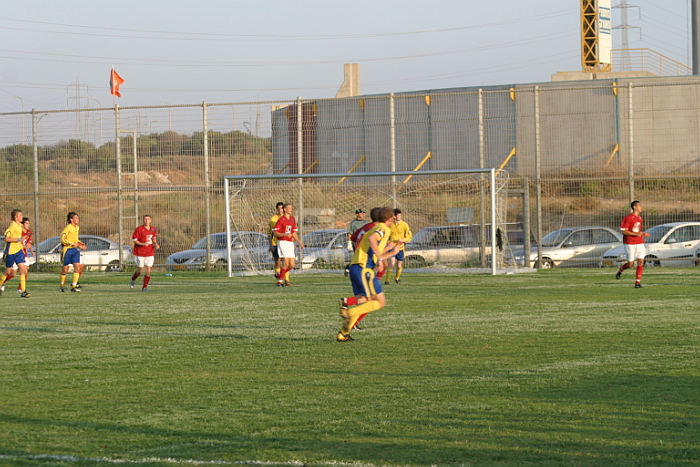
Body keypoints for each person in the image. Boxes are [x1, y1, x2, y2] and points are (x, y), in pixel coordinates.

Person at [337, 207, 405, 342]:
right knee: (380, 302)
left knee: (363, 302)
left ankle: (343, 333)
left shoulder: (373, 228)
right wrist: (380, 259)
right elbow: (373, 239)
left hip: (356, 267)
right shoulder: (383, 228)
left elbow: (374, 250)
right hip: (364, 269)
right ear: (390, 218)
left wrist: (392, 250)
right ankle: (348, 313)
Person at [616, 200, 650, 288]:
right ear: (634, 207)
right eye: (639, 206)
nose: (641, 207)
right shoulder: (628, 218)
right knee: (630, 264)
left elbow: (637, 231)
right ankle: (621, 270)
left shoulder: (640, 218)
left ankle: (637, 283)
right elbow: (624, 231)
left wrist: (643, 234)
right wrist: (636, 234)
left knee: (641, 261)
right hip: (630, 243)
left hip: (640, 242)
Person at [272, 203, 304, 287]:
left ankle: (280, 275)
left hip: (290, 243)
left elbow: (293, 233)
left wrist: (299, 242)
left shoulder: (292, 219)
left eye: (291, 208)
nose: (291, 209)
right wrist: (284, 234)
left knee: (292, 265)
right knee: (285, 262)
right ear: (285, 209)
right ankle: (280, 281)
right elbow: (275, 233)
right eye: (289, 208)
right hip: (282, 242)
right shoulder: (281, 220)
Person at [1, 209, 31, 298]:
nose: (22, 216)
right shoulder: (12, 226)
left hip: (19, 251)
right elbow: (7, 238)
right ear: (16, 217)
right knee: (8, 272)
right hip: (10, 252)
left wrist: (22, 239)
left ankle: (23, 291)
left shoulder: (19, 225)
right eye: (20, 215)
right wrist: (19, 239)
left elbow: (19, 237)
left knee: (23, 270)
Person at [130, 214, 160, 292]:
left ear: (150, 220)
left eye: (148, 219)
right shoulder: (139, 229)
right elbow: (135, 240)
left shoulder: (153, 229)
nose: (146, 221)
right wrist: (143, 244)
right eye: (145, 219)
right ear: (143, 221)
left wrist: (156, 244)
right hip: (140, 252)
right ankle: (133, 279)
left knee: (148, 270)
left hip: (150, 252)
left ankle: (144, 287)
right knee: (140, 270)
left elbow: (153, 239)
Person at [59, 212, 87, 293]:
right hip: (67, 250)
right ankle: (62, 285)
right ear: (71, 219)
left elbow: (75, 239)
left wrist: (79, 243)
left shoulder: (77, 228)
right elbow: (62, 239)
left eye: (78, 218)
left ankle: (74, 286)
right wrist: (72, 243)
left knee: (77, 267)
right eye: (76, 218)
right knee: (65, 269)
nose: (77, 219)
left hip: (74, 250)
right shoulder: (68, 228)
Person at [384, 208, 412, 285]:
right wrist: (387, 241)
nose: (399, 217)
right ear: (394, 216)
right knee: (392, 263)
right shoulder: (390, 224)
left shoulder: (405, 225)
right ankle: (387, 280)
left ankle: (397, 278)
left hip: (400, 247)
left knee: (399, 266)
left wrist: (404, 240)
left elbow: (409, 236)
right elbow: (386, 235)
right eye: (398, 215)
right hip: (391, 247)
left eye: (400, 215)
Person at [344, 209, 367, 276]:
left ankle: (349, 268)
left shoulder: (365, 222)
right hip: (356, 242)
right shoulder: (353, 223)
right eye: (361, 213)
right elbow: (350, 233)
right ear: (357, 214)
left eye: (363, 213)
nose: (362, 214)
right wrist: (349, 242)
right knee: (358, 257)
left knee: (363, 257)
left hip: (364, 242)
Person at [268, 202, 285, 281]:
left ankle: (286, 279)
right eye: (279, 208)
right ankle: (278, 275)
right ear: (277, 209)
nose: (280, 210)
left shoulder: (287, 218)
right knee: (277, 260)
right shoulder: (273, 219)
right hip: (276, 242)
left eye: (282, 208)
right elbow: (269, 233)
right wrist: (270, 244)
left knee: (285, 260)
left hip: (285, 242)